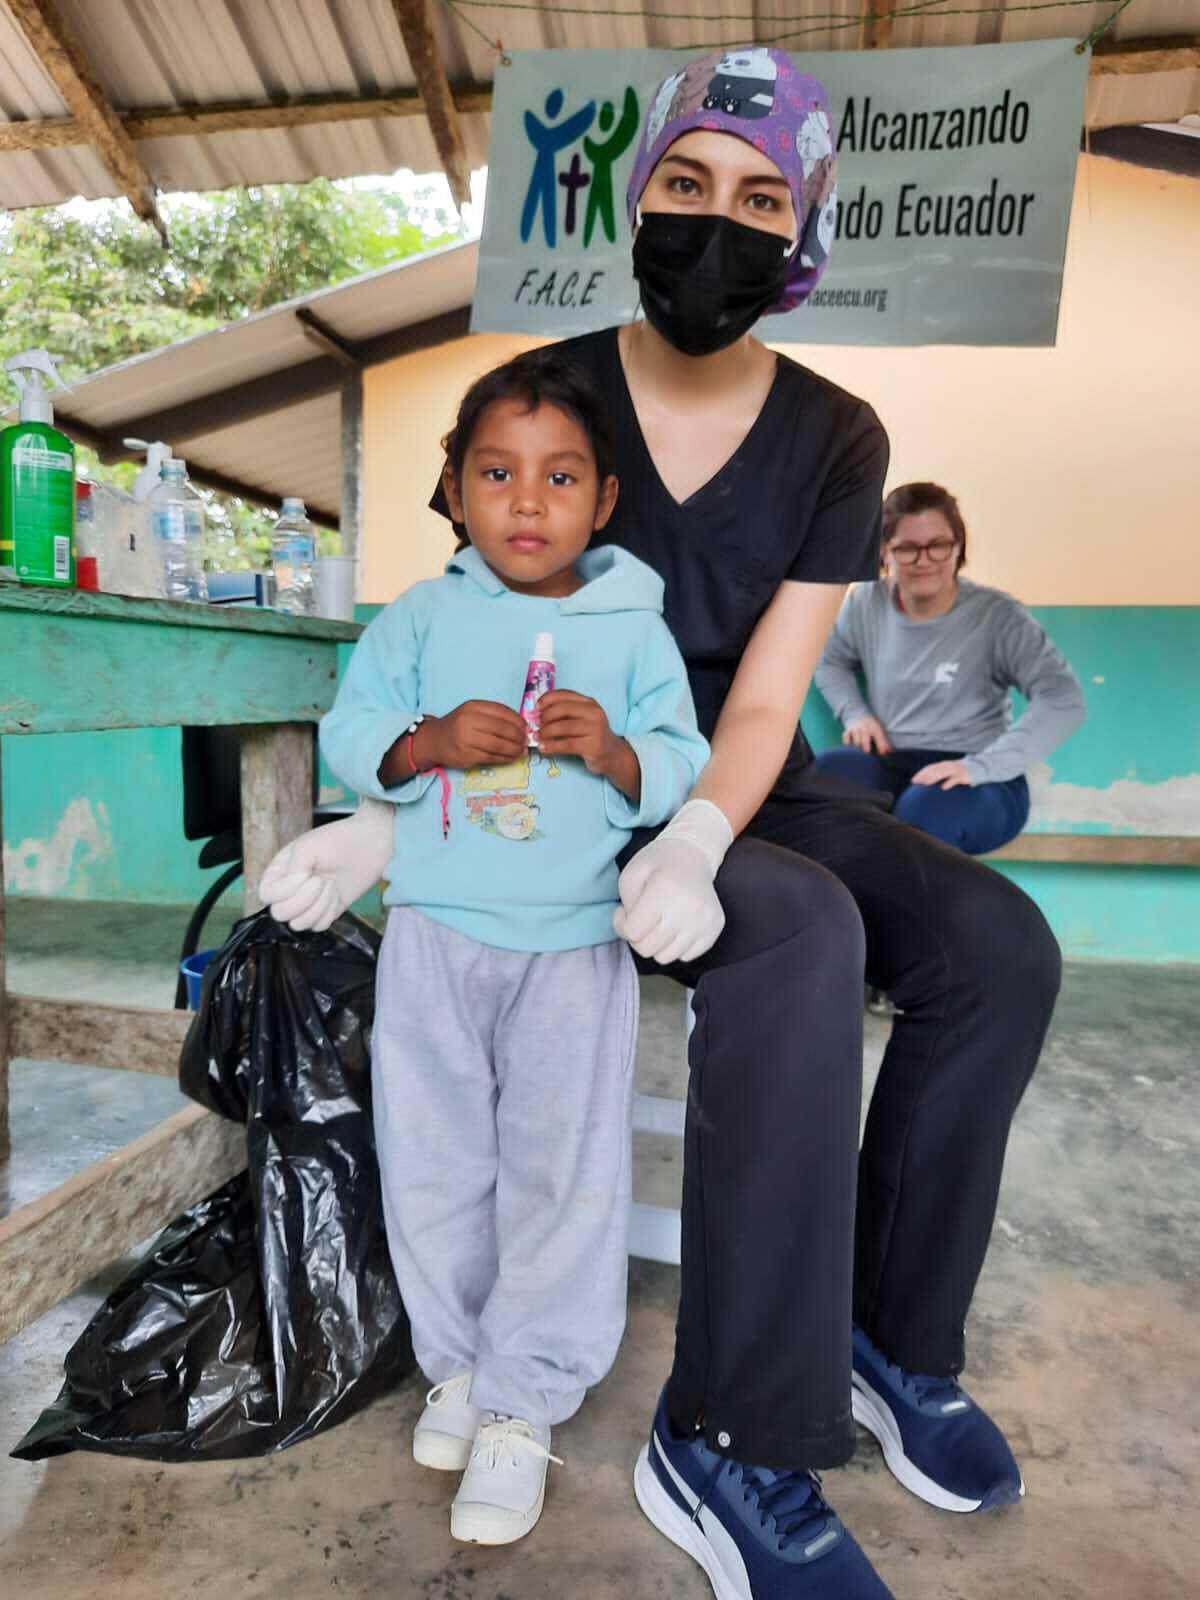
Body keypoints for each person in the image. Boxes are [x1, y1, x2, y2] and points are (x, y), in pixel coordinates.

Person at [262, 46, 1063, 1600]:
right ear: (639, 201)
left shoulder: (836, 434)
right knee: (803, 942)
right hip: (550, 779)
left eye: (762, 198)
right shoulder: (555, 401)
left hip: (732, 778)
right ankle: (731, 1436)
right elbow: (467, 622)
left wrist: (695, 830)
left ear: (806, 229)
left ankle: (881, 1335)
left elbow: (766, 702)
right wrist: (400, 809)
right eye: (687, 185)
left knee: (998, 948)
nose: (719, 222)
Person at [265, 350, 708, 1547]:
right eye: (497, 473)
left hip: (572, 950)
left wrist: (616, 752)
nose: (527, 500)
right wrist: (423, 743)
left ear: (603, 501)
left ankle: (524, 1401)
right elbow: (351, 734)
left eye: (560, 476)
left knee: (559, 1177)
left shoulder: (633, 628)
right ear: (454, 490)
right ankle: (457, 1363)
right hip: (436, 941)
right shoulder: (420, 617)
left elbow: (682, 757)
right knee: (436, 1160)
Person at [814, 481, 1086, 855]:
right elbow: (831, 661)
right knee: (824, 777)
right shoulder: (865, 603)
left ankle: (911, 912)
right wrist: (855, 713)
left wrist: (981, 767)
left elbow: (1064, 700)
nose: (924, 560)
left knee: (925, 812)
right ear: (883, 552)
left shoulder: (999, 617)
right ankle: (843, 909)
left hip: (979, 775)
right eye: (907, 548)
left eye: (939, 546)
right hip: (894, 761)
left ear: (958, 548)